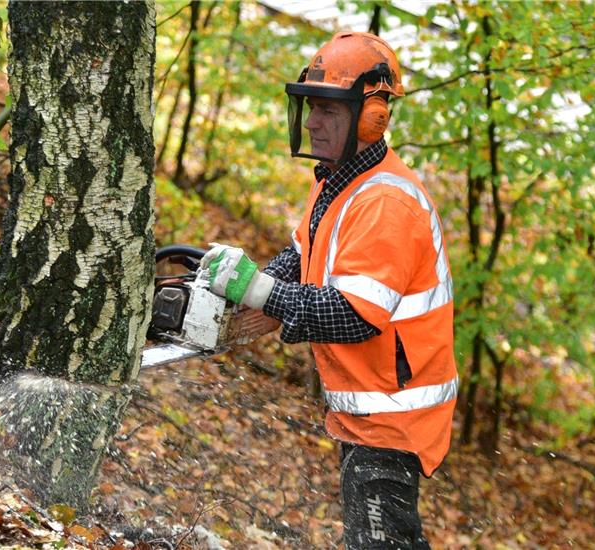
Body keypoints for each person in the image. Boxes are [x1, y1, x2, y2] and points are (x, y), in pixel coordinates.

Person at [201, 32, 457, 549]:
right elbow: (301, 257)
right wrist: (236, 290)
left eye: (328, 110)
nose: (313, 122)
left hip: (394, 415)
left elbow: (353, 316)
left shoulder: (386, 201)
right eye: (310, 108)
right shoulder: (335, 180)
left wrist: (259, 291)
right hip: (366, 408)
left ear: (372, 116)